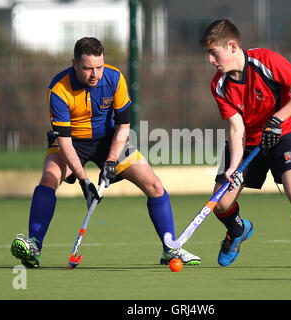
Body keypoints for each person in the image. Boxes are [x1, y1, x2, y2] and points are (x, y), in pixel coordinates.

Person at [10, 37, 200, 268]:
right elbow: (65, 141)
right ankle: (34, 247)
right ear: (74, 63)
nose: (95, 74)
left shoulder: (115, 78)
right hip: (73, 143)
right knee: (49, 179)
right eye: (88, 68)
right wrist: (84, 181)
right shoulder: (58, 89)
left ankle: (171, 248)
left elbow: (123, 126)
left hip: (110, 141)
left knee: (154, 185)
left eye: (99, 67)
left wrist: (110, 161)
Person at [199, 19, 291, 268]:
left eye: (213, 53)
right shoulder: (219, 85)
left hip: (283, 133)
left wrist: (276, 120)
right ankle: (237, 230)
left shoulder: (267, 60)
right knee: (222, 203)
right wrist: (234, 166)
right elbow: (236, 127)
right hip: (248, 141)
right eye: (208, 54)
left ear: (232, 46)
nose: (210, 60)